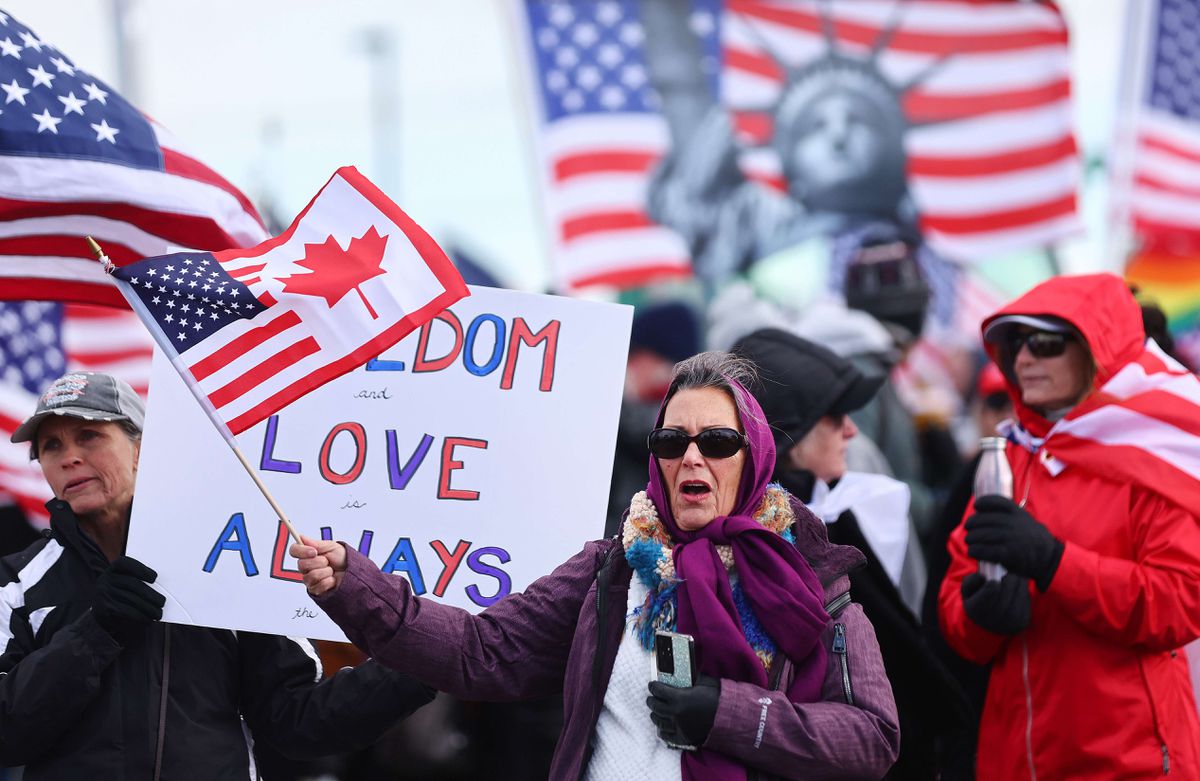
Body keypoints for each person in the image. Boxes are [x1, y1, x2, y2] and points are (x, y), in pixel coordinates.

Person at [293, 351, 901, 780]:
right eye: (671, 442)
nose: (692, 457)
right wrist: (355, 584)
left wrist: (728, 714)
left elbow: (872, 739)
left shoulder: (816, 583)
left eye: (716, 442)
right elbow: (484, 652)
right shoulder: (611, 570)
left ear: (754, 456)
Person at [0, 371, 434, 779]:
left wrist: (426, 661)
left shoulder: (224, 560)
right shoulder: (18, 582)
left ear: (140, 449)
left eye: (89, 435)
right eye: (51, 446)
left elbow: (297, 722)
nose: (70, 457)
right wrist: (96, 632)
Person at [938, 273, 1200, 779]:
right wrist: (979, 614)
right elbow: (955, 613)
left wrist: (1055, 562)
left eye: (1045, 342)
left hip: (1130, 762)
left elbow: (1177, 605)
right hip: (1016, 760)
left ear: (1098, 350)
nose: (1023, 360)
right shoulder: (1010, 456)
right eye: (1014, 343)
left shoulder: (1151, 457)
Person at [733, 328, 971, 779]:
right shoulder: (773, 543)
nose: (851, 428)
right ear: (790, 438)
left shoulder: (832, 513)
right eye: (833, 414)